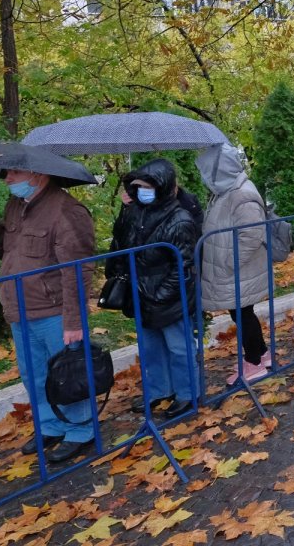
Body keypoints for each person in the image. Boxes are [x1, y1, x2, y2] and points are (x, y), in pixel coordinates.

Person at [0, 170, 97, 463]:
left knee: (68, 376)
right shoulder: (15, 206)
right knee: (35, 375)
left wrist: (74, 321)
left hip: (54, 312)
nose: (7, 179)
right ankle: (50, 426)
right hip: (20, 309)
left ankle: (81, 431)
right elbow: (3, 250)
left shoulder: (68, 211)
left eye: (14, 173)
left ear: (38, 173)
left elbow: (79, 271)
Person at [106, 159, 201, 420]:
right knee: (151, 348)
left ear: (162, 187)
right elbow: (120, 240)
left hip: (168, 296)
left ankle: (188, 394)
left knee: (179, 348)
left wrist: (159, 295)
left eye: (147, 187)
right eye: (137, 187)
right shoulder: (135, 211)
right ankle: (160, 390)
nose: (141, 192)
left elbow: (182, 265)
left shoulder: (179, 218)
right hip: (141, 292)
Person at [196, 144, 271, 386]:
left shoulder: (241, 194)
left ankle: (254, 364)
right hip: (234, 270)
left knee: (242, 312)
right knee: (242, 312)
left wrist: (229, 263)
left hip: (238, 269)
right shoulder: (226, 190)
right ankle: (261, 354)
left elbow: (251, 234)